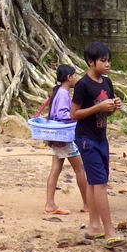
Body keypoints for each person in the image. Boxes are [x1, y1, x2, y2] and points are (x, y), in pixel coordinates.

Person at [70, 41, 124, 247]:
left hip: (101, 137)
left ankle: (94, 226)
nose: (107, 64)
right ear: (90, 62)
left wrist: (112, 107)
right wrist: (99, 106)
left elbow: (105, 110)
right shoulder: (83, 85)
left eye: (109, 60)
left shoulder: (106, 83)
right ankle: (109, 230)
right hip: (86, 139)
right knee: (100, 183)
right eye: (103, 60)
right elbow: (74, 114)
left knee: (95, 182)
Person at [42, 64, 89, 216]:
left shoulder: (60, 92)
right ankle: (88, 205)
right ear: (69, 78)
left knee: (55, 169)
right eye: (75, 75)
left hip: (57, 138)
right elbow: (62, 115)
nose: (77, 78)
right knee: (80, 169)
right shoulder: (63, 94)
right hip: (65, 138)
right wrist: (77, 115)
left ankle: (50, 204)